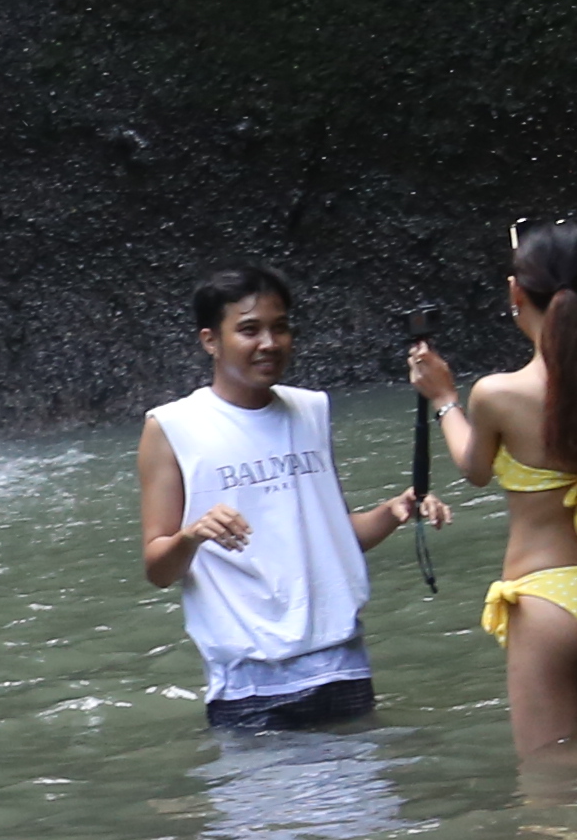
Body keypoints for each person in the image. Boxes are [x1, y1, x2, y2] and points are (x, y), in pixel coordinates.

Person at [139, 268, 445, 732]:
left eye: (279, 327)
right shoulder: (171, 427)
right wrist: (192, 535)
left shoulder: (311, 408)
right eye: (249, 329)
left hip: (343, 664)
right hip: (251, 686)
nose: (269, 342)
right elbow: (158, 567)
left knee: (362, 806)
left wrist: (393, 511)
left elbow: (329, 536)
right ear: (209, 340)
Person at [408, 219, 577, 749]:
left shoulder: (497, 394)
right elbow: (576, 385)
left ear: (515, 292)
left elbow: (475, 470)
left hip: (549, 601)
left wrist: (443, 399)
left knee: (553, 790)